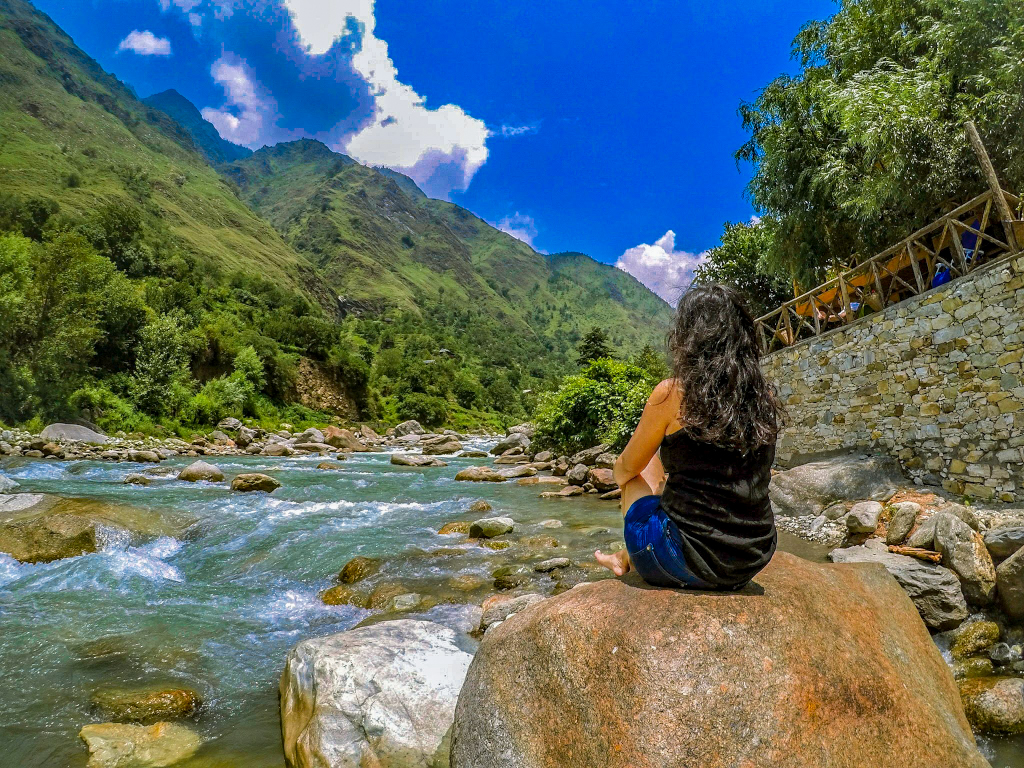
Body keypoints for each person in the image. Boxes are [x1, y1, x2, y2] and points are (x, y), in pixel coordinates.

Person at [594, 284, 784, 590]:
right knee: (656, 469)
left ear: (688, 337)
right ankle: (627, 553)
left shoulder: (672, 393)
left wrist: (635, 483)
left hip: (686, 559)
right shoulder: (763, 396)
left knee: (635, 473)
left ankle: (630, 553)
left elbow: (625, 470)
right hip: (751, 556)